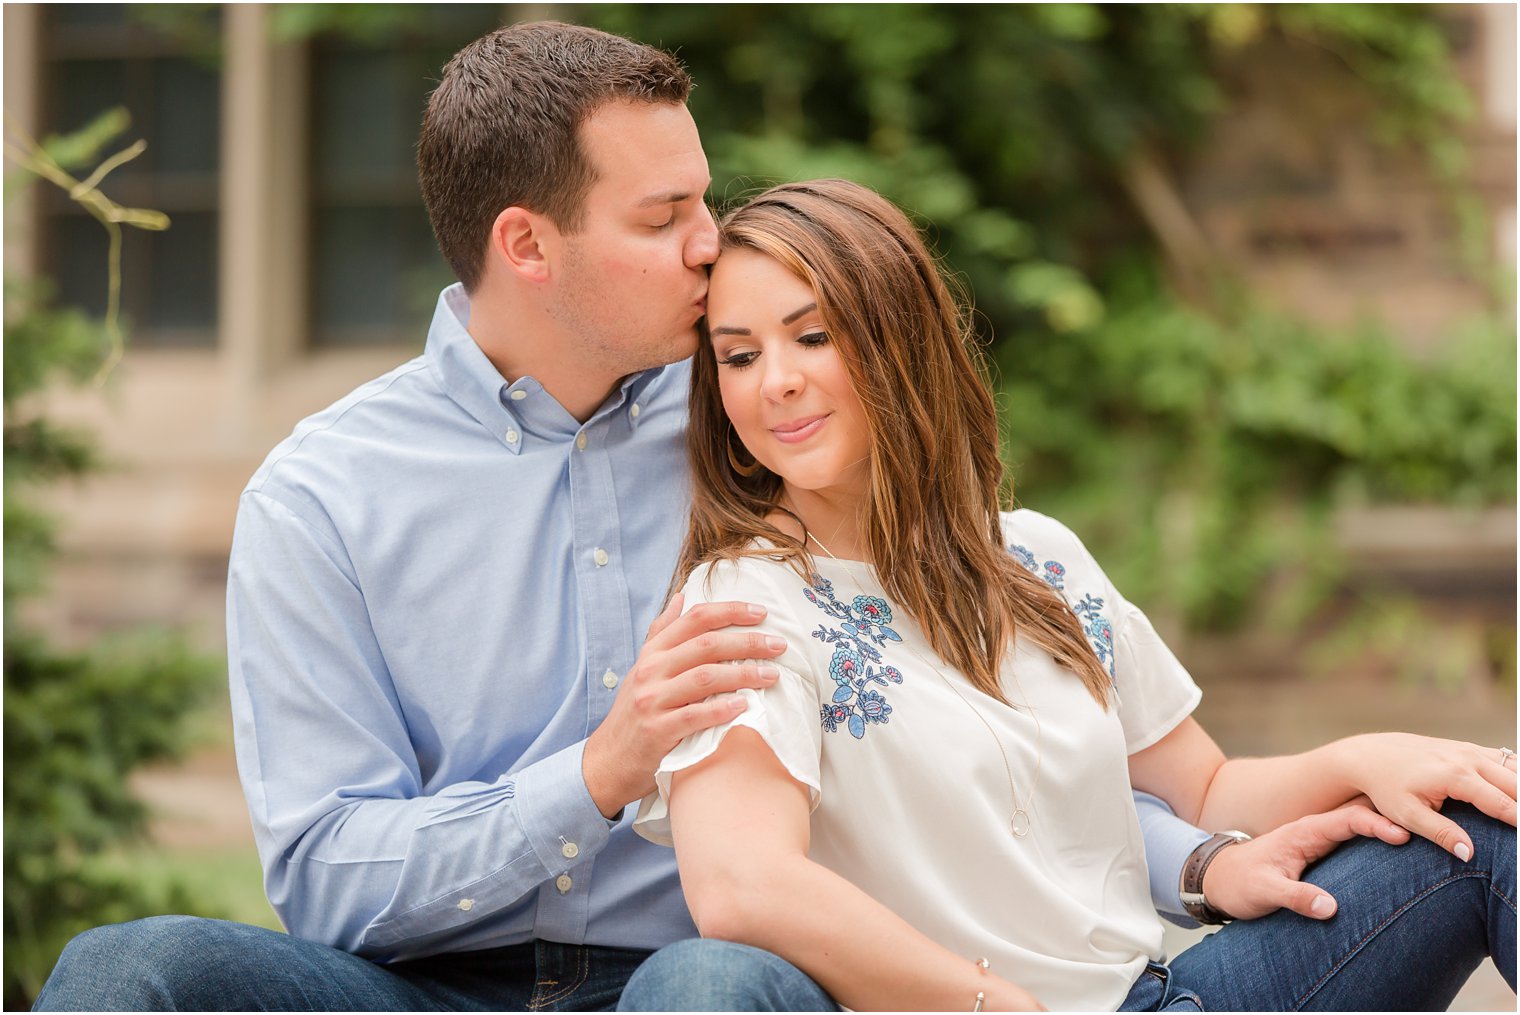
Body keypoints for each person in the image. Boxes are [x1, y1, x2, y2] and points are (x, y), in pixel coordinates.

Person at [28, 22, 1507, 1013]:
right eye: (666, 216)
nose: (708, 242)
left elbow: (951, 751)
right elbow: (328, 871)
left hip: (716, 972)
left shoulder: (777, 439)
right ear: (527, 246)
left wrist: (1193, 850)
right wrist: (594, 774)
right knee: (130, 965)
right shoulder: (325, 495)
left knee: (711, 980)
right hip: (437, 981)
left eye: (708, 202)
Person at [629, 178, 1518, 1011]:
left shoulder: (1039, 555)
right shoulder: (741, 602)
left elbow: (1206, 786)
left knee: (1490, 819)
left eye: (812, 336)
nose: (772, 380)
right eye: (738, 356)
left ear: (900, 340)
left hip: (1156, 994)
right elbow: (744, 887)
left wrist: (1369, 757)